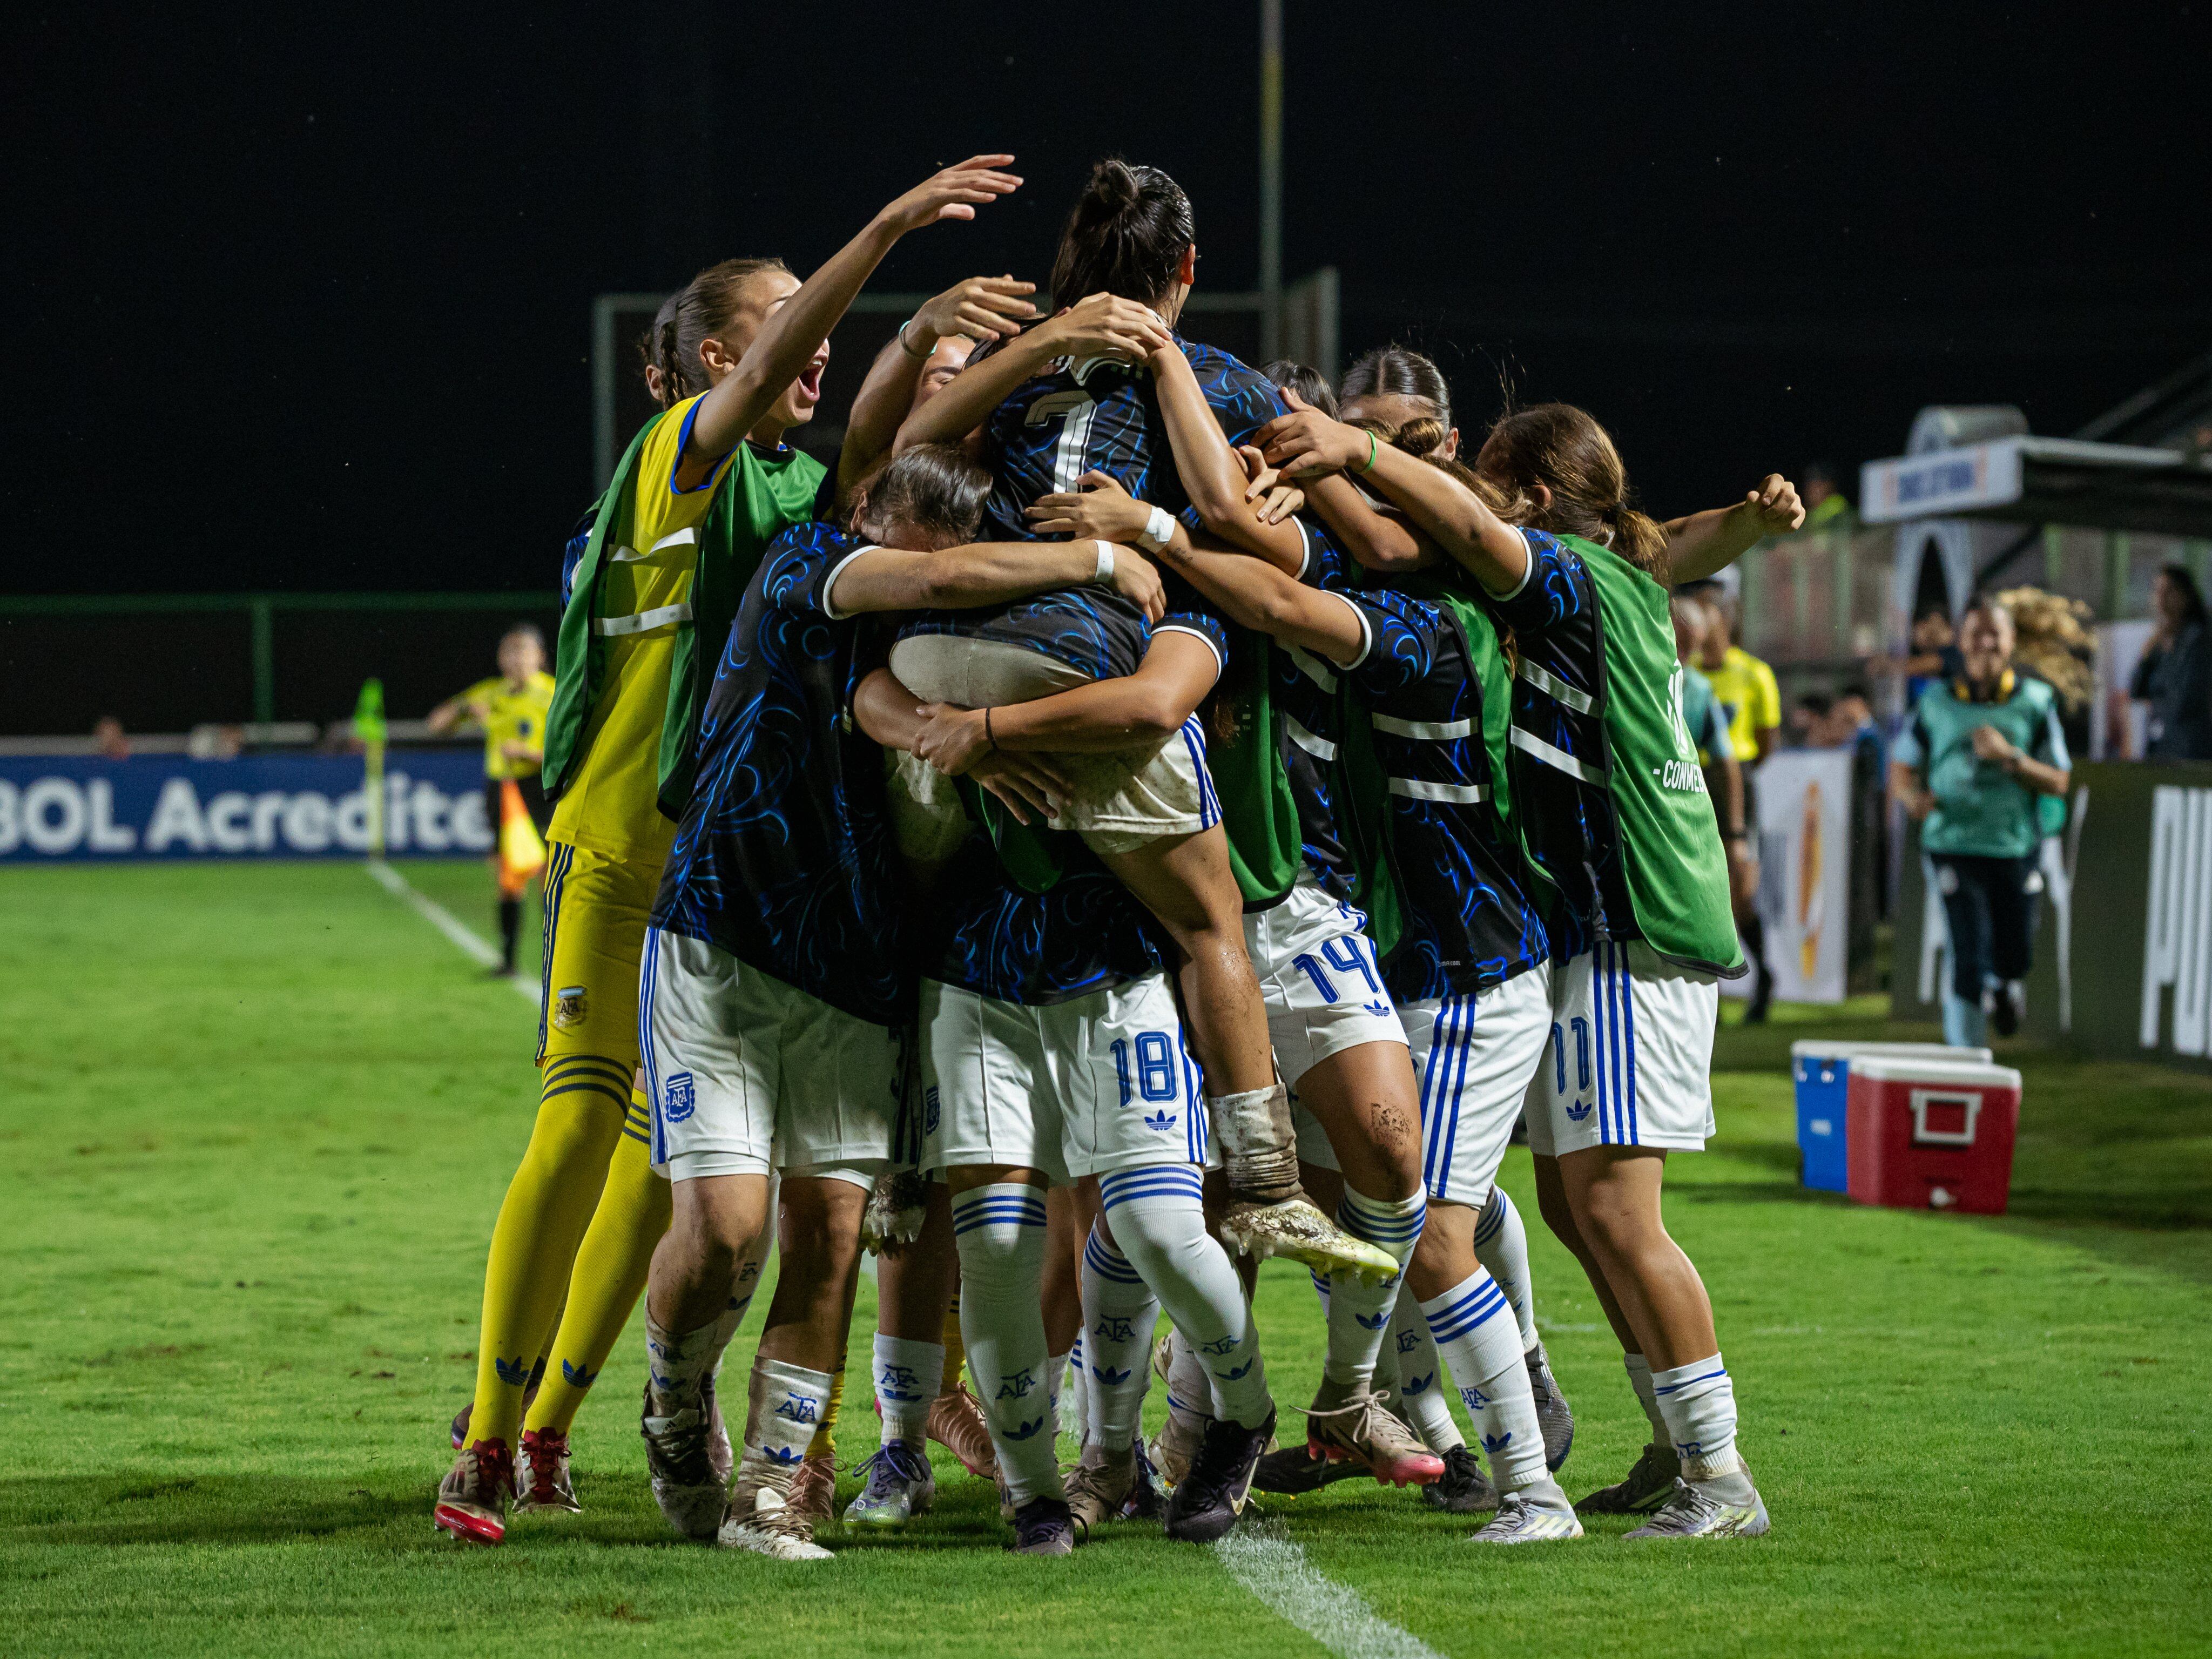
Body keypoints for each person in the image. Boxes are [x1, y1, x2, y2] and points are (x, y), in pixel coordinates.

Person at [433, 155, 1025, 1547]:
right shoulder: (676, 456)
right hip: (620, 848)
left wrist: (944, 348)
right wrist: (885, 228)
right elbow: (775, 381)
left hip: (726, 886)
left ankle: (560, 1426)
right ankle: (484, 1430)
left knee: (662, 1171)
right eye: (785, 329)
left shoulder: (779, 493)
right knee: (582, 1124)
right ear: (718, 354)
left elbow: (879, 476)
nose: (809, 352)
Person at [1262, 395, 1800, 1541]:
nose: (1471, 514)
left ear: (1539, 503)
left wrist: (1356, 452)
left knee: (1611, 1208)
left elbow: (1484, 541)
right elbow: (1673, 533)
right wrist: (1750, 525)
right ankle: (1674, 1437)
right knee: (1570, 1202)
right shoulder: (1617, 568)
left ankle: (1721, 1473)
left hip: (1624, 929)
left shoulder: (1560, 573)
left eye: (1489, 491)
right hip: (1597, 934)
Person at [635, 443, 1168, 1561]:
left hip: (858, 976)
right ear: (865, 518)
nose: (909, 587)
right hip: (722, 942)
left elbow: (909, 670)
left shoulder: (941, 663)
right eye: (900, 554)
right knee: (727, 1230)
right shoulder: (804, 561)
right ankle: (675, 1402)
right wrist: (1101, 554)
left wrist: (965, 736)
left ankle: (773, 1491)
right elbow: (926, 586)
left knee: (829, 1232)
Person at [893, 157, 1384, 1280]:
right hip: (1103, 658)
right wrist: (1191, 509)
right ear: (1189, 270)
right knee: (1208, 923)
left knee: (924, 900)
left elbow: (906, 453)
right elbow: (1308, 541)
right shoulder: (1215, 377)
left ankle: (899, 1159)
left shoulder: (1020, 379)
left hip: (948, 658)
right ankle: (1263, 1182)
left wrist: (1015, 348)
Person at [1118, 410, 1588, 1540]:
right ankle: (1191, 1434)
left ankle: (1510, 1468)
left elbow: (1284, 599)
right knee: (1255, 1203)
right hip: (1392, 952)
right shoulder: (1395, 594)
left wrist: (1147, 527)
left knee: (1424, 1221)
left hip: (1466, 968)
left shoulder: (1429, 630)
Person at [1891, 598, 2072, 1046]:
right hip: (1952, 843)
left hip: (2014, 844)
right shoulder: (1936, 702)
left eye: (1996, 633)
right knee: (1967, 953)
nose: (1986, 642)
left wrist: (2011, 758)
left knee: (2015, 956)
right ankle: (1967, 1064)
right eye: (1976, 632)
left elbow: (2059, 781)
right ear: (1960, 641)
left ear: (2012, 642)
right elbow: (1900, 768)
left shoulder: (2036, 701)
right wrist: (1912, 797)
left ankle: (2004, 987)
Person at [426, 624, 556, 976]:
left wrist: (530, 754)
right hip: (501, 791)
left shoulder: (554, 694)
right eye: (509, 652)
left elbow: (572, 750)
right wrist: (461, 709)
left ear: (540, 657)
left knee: (548, 874)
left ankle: (557, 958)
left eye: (523, 652)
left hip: (540, 789)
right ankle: (509, 961)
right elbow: (436, 726)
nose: (516, 660)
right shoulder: (489, 693)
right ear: (500, 658)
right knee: (507, 876)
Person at [1695, 593, 1782, 1020]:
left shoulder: (1754, 674)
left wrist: (1738, 780)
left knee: (1740, 891)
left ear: (1724, 623)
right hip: (1690, 779)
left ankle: (1763, 972)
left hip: (1734, 779)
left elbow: (1767, 742)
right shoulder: (1684, 672)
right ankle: (1705, 988)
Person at [1674, 597, 1751, 912]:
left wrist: (1736, 836)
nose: (1681, 657)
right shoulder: (1635, 674)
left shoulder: (1698, 689)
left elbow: (1727, 763)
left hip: (1687, 801)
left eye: (1689, 649)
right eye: (1677, 644)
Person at [2130, 564, 2212, 761]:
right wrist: (2148, 654)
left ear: (2185, 596)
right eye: (2157, 591)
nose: (2161, 599)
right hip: (2161, 745)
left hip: (2189, 748)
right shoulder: (2160, 641)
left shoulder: (2198, 639)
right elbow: (2137, 691)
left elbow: (2187, 697)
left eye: (2168, 591)